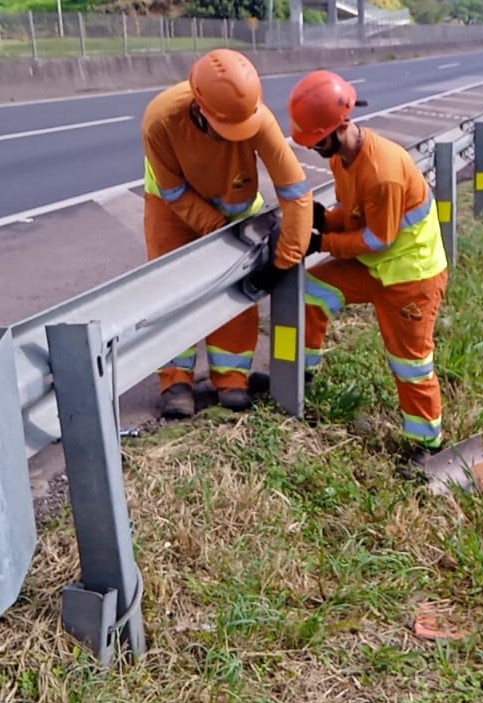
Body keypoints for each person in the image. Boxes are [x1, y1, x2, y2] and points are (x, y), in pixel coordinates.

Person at [142, 49, 313, 418]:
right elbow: (174, 192)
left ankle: (232, 377)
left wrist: (284, 259)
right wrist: (218, 233)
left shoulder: (257, 118)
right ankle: (176, 380)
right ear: (200, 108)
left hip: (235, 205)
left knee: (238, 287)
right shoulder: (161, 120)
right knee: (173, 290)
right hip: (172, 207)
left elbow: (296, 192)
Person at [287, 70, 449, 454]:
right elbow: (356, 214)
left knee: (410, 363)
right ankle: (299, 376)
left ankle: (427, 445)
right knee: (310, 290)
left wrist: (322, 241)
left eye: (316, 140)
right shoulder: (341, 160)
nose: (313, 148)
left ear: (339, 127)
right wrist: (327, 219)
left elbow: (377, 239)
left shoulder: (383, 173)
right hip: (376, 266)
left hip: (410, 276)